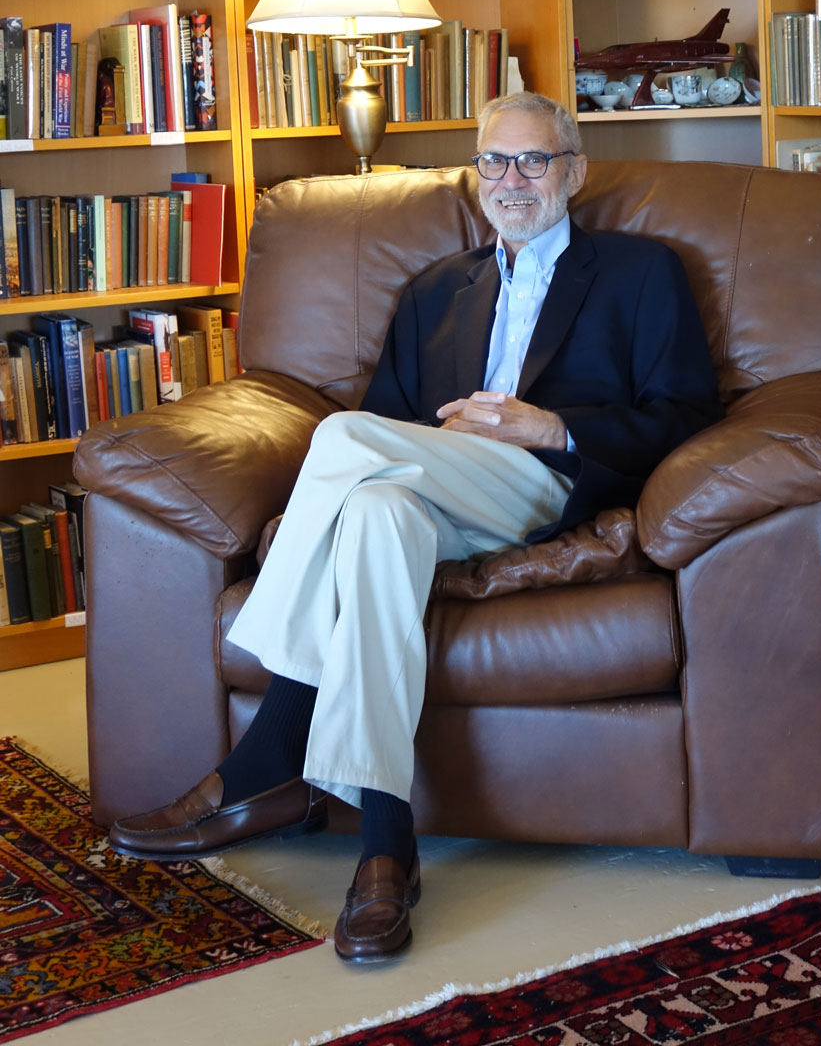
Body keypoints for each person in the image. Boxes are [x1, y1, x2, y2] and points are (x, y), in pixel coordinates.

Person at [107, 91, 722, 963]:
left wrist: (548, 427)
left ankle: (272, 744)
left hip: (544, 485)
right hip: (429, 495)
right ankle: (386, 848)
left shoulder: (638, 271)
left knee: (341, 437)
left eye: (534, 161)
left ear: (574, 172)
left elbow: (685, 412)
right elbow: (388, 430)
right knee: (375, 512)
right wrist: (423, 451)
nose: (512, 181)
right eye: (495, 163)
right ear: (478, 178)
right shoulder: (436, 290)